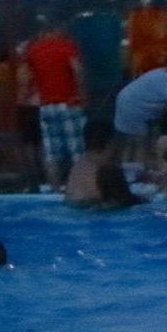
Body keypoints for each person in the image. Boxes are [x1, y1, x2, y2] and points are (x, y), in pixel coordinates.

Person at [23, 21, 88, 191]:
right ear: (57, 30)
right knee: (77, 150)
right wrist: (82, 95)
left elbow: (27, 78)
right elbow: (77, 70)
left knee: (51, 152)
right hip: (69, 103)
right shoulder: (67, 47)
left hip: (46, 106)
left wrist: (25, 99)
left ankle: (54, 189)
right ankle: (78, 187)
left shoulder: (33, 50)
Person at [114, 59, 167, 155]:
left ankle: (133, 163)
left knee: (132, 142)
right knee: (141, 144)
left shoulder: (165, 71)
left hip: (126, 98)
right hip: (134, 107)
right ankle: (139, 165)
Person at [64, 120, 119, 208]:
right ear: (110, 143)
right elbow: (119, 201)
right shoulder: (104, 169)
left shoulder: (78, 166)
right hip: (93, 211)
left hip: (74, 208)